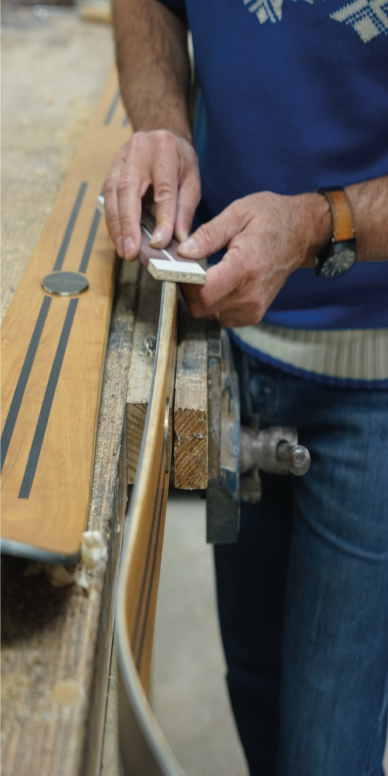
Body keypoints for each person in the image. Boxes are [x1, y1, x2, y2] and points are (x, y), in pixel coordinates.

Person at [104, 1, 388, 773]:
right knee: (256, 696)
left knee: (325, 753)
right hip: (225, 354)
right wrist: (163, 124)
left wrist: (318, 223)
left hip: (374, 384)